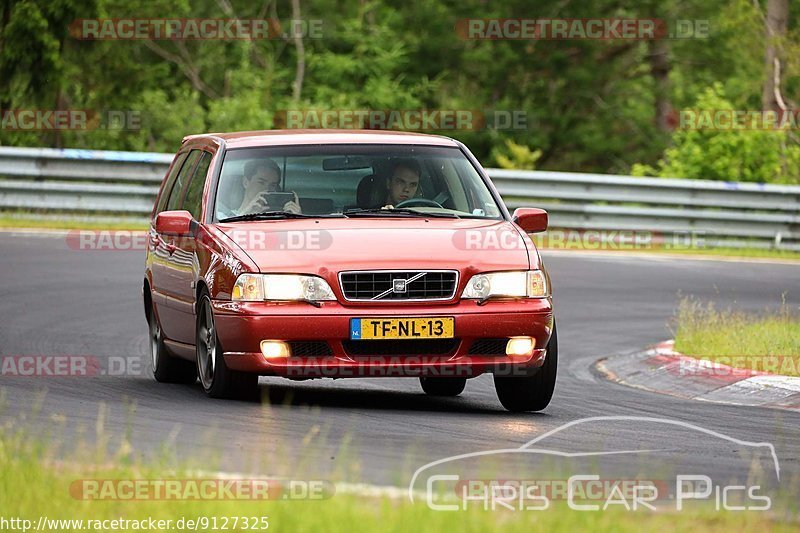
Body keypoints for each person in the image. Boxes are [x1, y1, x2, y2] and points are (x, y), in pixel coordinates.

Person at [219, 159, 301, 218]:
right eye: (261, 182)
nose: (267, 189)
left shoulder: (281, 218)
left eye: (272, 185)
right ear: (245, 182)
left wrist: (297, 218)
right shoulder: (222, 217)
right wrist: (244, 215)